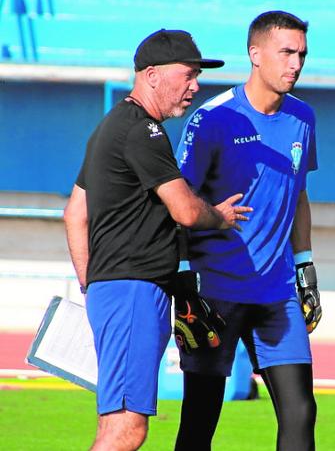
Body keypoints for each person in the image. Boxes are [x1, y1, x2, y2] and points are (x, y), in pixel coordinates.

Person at [63, 29, 251, 451]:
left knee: (113, 425)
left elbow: (74, 214)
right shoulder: (142, 131)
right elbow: (184, 209)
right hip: (133, 292)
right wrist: (219, 217)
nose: (195, 86)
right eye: (187, 75)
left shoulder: (109, 127)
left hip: (115, 291)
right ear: (151, 75)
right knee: (128, 430)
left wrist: (92, 285)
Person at [173, 11, 320, 451]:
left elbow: (299, 194)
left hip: (277, 294)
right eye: (286, 52)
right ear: (255, 54)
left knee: (301, 413)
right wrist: (183, 278)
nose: (295, 63)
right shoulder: (213, 118)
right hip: (215, 292)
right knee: (200, 422)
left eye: (302, 54)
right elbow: (179, 201)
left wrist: (305, 264)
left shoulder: (304, 118)